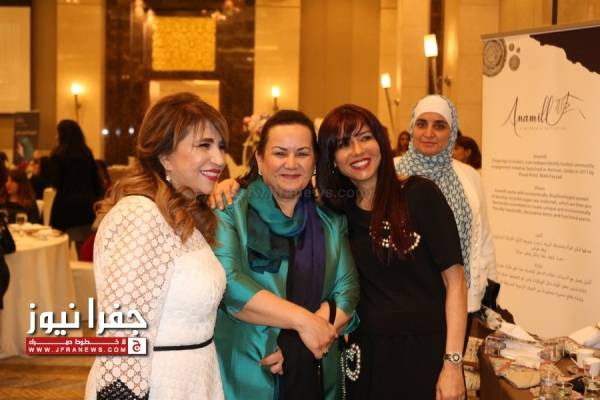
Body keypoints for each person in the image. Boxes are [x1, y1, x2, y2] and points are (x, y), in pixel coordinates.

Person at [315, 104, 466, 400]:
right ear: (332, 158)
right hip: (364, 357)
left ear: (380, 142)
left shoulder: (420, 195)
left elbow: (457, 283)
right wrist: (234, 185)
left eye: (365, 137)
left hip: (425, 355)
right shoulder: (335, 214)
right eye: (343, 144)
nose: (358, 150)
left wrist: (452, 364)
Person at [84, 92, 228, 400]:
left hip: (191, 382)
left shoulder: (181, 216)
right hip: (158, 386)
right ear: (164, 156)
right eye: (204, 145)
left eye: (221, 146)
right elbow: (122, 333)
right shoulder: (142, 214)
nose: (219, 159)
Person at [213, 110, 359, 400]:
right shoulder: (231, 209)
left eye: (302, 153)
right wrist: (305, 323)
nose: (291, 164)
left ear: (314, 161)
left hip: (316, 372)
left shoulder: (330, 220)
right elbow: (228, 284)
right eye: (280, 153)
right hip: (248, 374)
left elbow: (348, 290)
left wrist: (297, 343)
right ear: (259, 159)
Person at [395, 95, 496, 338]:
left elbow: (483, 237)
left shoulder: (469, 176)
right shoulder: (392, 172)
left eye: (439, 125)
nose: (429, 133)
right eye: (422, 124)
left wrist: (487, 292)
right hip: (402, 302)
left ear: (452, 132)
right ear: (412, 127)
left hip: (460, 300)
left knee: (451, 361)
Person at [49, 120, 104, 249]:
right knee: (83, 248)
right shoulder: (87, 153)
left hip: (65, 206)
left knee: (60, 246)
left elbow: (55, 183)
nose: (56, 137)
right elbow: (96, 181)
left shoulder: (57, 154)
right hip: (86, 206)